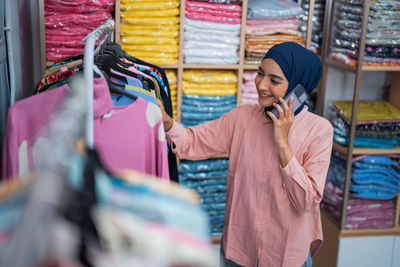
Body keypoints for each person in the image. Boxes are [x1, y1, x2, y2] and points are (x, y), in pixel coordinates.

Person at [158, 42, 333, 267]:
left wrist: (282, 143)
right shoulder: (242, 118)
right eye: (260, 73)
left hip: (286, 257)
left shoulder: (319, 130)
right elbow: (193, 142)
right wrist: (168, 123)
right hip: (238, 251)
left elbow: (305, 201)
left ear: (298, 89)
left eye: (274, 80)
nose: (261, 84)